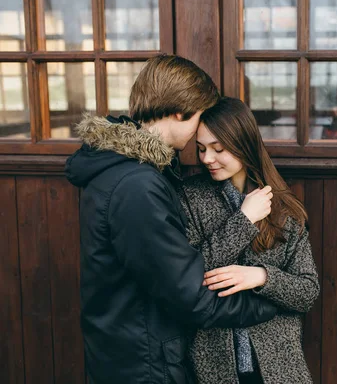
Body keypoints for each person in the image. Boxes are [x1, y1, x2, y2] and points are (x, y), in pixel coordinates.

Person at [64, 55, 277, 384]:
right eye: (199, 118)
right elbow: (191, 296)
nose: (197, 135)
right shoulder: (137, 186)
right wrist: (270, 303)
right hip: (144, 364)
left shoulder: (128, 171)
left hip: (128, 352)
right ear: (181, 111)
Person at [177, 97, 320, 384]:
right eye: (202, 148)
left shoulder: (283, 207)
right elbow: (188, 277)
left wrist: (261, 277)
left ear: (244, 145)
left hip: (279, 366)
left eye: (218, 149)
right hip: (214, 365)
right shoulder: (189, 198)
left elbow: (307, 292)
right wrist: (243, 221)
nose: (206, 159)